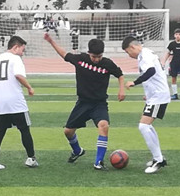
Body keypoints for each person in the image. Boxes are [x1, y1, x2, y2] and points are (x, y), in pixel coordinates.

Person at [44, 33, 125, 170]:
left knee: (104, 126)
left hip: (99, 104)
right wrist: (51, 41)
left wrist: (121, 89)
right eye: (94, 56)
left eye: (99, 56)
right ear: (89, 53)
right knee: (68, 132)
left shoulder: (107, 64)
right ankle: (77, 151)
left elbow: (120, 75)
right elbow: (64, 54)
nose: (97, 59)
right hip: (83, 103)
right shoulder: (80, 60)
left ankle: (98, 162)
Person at [0, 36, 38, 170]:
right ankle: (31, 158)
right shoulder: (15, 59)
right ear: (15, 47)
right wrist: (29, 87)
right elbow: (18, 75)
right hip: (15, 102)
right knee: (24, 130)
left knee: (0, 132)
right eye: (22, 50)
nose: (22, 53)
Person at [122, 37, 169, 174]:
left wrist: (134, 82)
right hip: (154, 96)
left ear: (132, 47)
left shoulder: (145, 54)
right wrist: (148, 93)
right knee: (146, 126)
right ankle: (158, 157)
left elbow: (151, 71)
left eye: (127, 52)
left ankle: (158, 160)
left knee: (143, 126)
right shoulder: (145, 54)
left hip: (158, 96)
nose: (129, 55)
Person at [162, 28, 180, 100]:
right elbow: (168, 53)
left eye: (179, 34)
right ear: (174, 35)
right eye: (176, 34)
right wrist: (163, 62)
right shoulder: (172, 44)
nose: (178, 36)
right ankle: (175, 94)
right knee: (173, 78)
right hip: (174, 63)